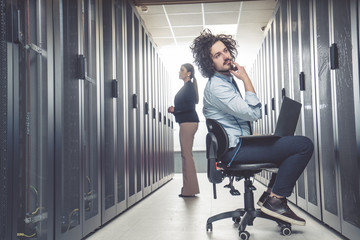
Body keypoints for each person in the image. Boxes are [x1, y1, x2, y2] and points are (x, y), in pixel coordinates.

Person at [190, 29, 314, 225]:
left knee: (286, 143)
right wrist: (246, 78)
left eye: (225, 51)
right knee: (304, 145)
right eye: (217, 55)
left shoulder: (226, 81)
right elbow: (254, 113)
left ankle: (270, 196)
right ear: (209, 63)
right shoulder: (218, 87)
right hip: (235, 152)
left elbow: (234, 121)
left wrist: (253, 135)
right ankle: (276, 199)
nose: (225, 56)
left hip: (237, 146)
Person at [168, 63, 200, 197]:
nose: (179, 72)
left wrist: (175, 110)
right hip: (187, 122)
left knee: (186, 156)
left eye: (182, 70)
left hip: (188, 123)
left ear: (189, 73)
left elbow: (190, 107)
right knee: (186, 155)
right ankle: (189, 188)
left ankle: (189, 190)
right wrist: (176, 111)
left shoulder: (189, 88)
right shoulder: (187, 87)